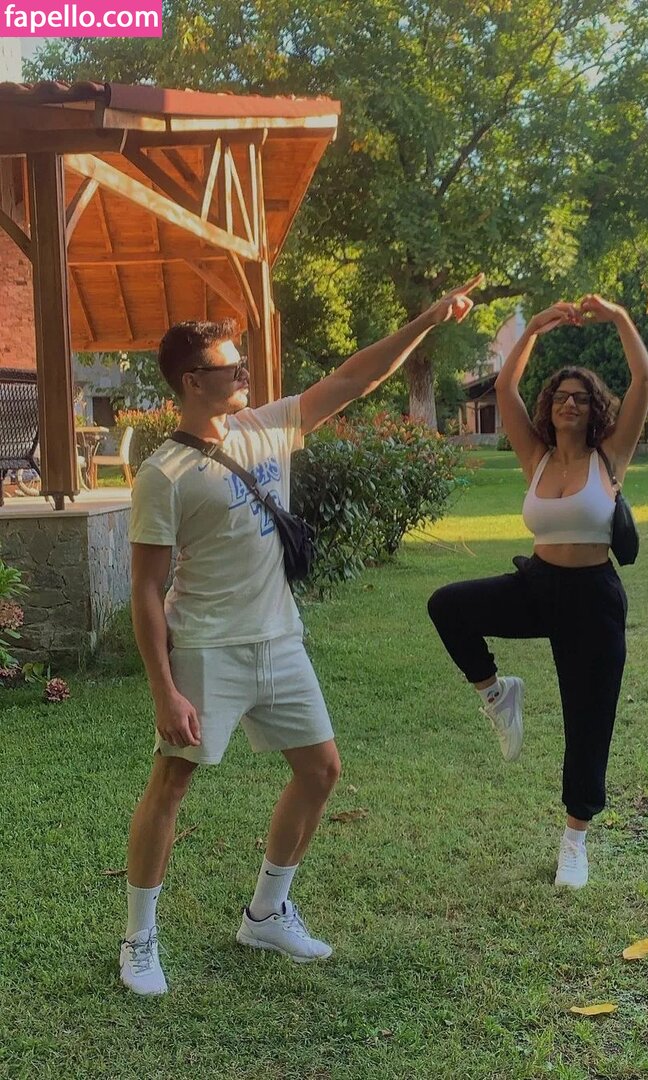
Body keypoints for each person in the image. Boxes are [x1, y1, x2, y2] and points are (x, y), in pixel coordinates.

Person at [121, 275, 482, 995]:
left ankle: (265, 912)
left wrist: (427, 320)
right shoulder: (164, 475)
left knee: (320, 771)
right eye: (231, 367)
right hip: (208, 647)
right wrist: (165, 690)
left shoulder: (267, 425)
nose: (244, 376)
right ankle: (138, 939)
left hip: (280, 640)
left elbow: (354, 377)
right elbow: (146, 589)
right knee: (172, 783)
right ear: (192, 381)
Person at [427, 294, 648, 889]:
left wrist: (618, 316)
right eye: (560, 397)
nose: (569, 403)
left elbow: (644, 378)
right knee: (448, 605)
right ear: (549, 408)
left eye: (581, 397)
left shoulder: (611, 457)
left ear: (594, 409)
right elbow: (505, 387)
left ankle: (574, 842)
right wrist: (535, 330)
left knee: (588, 720)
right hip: (538, 584)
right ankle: (497, 693)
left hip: (593, 599)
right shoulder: (537, 457)